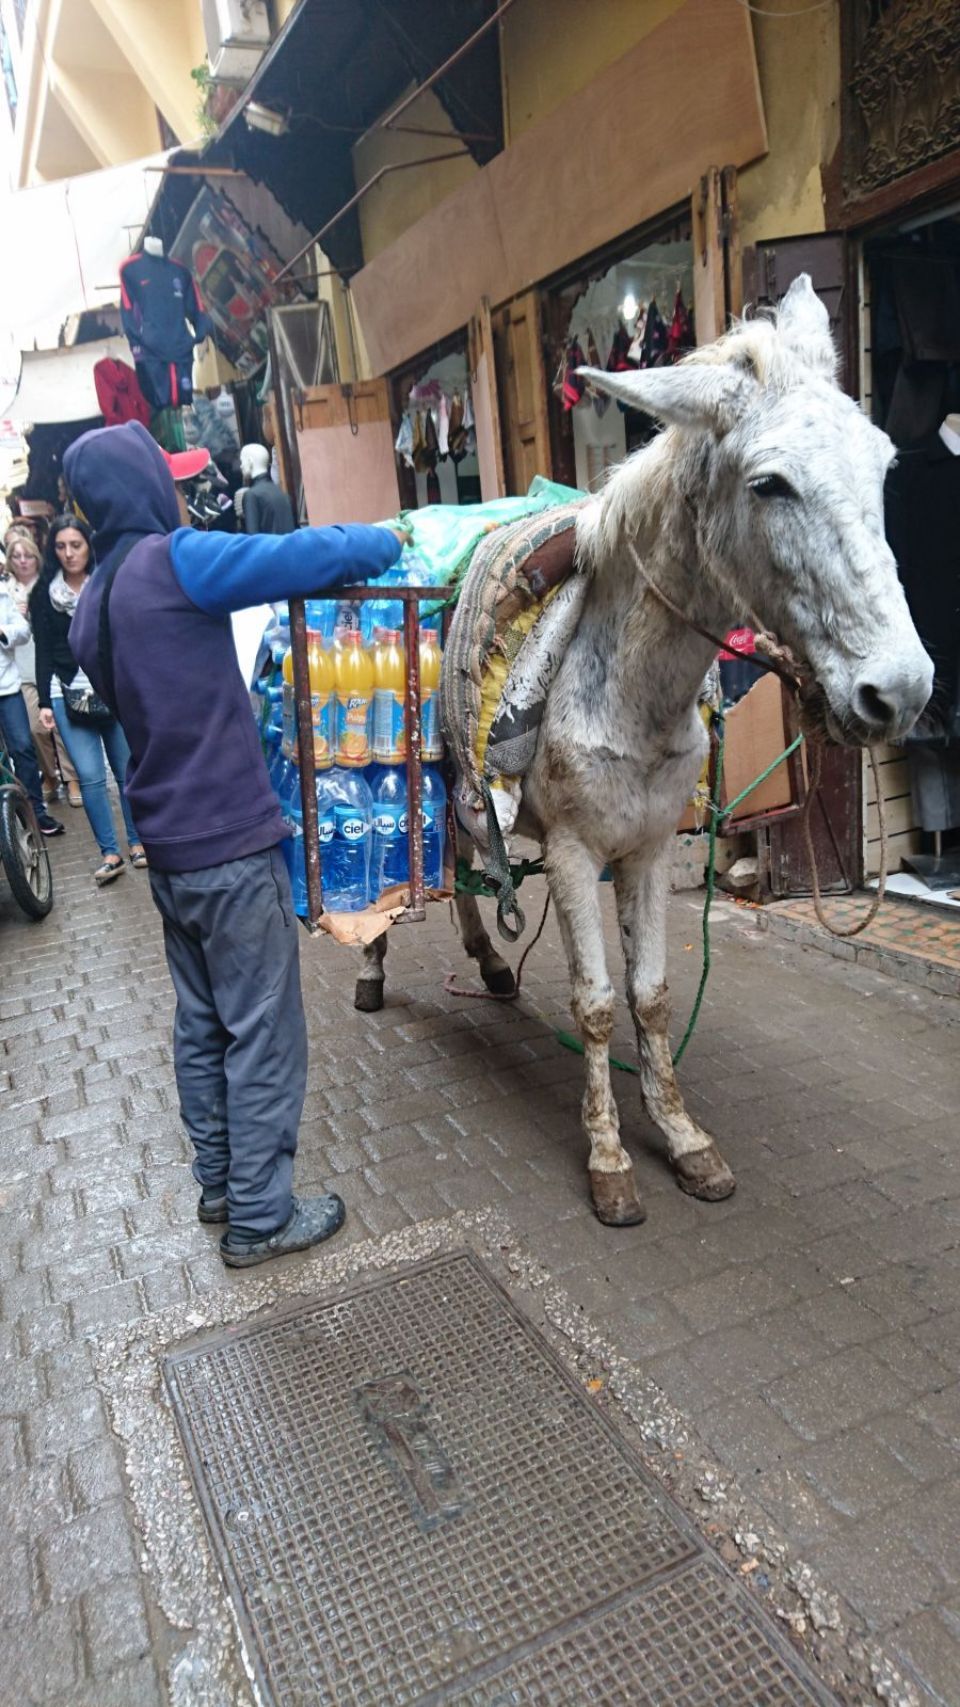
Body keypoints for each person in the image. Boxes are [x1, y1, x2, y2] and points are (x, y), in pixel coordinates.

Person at [66, 420, 405, 1269]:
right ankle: (260, 1214)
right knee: (263, 1027)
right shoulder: (177, 563)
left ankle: (220, 1182)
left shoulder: (92, 607)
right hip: (228, 843)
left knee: (203, 1022)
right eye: (167, 478)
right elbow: (299, 555)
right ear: (144, 487)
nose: (179, 492)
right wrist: (383, 538)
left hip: (171, 854)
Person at [32, 514, 146, 887]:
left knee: (126, 769)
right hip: (68, 695)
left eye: (75, 545)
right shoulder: (43, 595)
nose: (68, 553)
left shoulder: (106, 583)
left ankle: (138, 843)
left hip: (111, 689)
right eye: (61, 546)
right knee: (91, 778)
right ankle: (110, 853)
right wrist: (46, 701)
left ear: (89, 545)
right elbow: (45, 650)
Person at [3, 526, 82, 807]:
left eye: (28, 555)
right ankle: (50, 775)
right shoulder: (6, 593)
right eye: (17, 556)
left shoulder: (51, 586)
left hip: (52, 663)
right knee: (36, 729)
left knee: (61, 726)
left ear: (37, 557)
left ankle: (72, 778)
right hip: (21, 668)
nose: (23, 561)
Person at [0, 573, 64, 835]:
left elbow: (24, 631)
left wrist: (3, 631)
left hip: (7, 687)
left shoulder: (2, 595)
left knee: (23, 749)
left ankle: (35, 813)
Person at [239, 442, 296, 535]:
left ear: (250, 461)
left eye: (242, 461)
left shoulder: (252, 495)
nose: (241, 466)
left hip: (267, 549)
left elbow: (253, 538)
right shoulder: (283, 494)